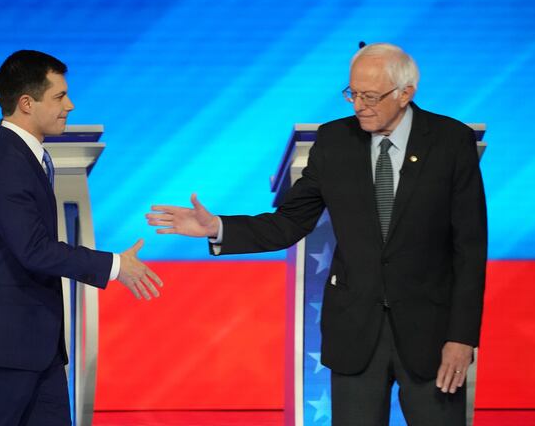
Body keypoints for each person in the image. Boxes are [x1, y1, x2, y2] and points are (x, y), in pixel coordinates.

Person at [147, 43, 486, 426]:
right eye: (353, 94)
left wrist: (462, 338)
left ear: (406, 93)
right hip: (355, 334)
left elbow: (470, 249)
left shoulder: (450, 141)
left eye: (371, 96)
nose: (358, 105)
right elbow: (290, 221)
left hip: (432, 337)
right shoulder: (335, 141)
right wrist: (219, 227)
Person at [0, 49, 163, 426]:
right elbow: (33, 250)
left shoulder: (24, 159)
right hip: (3, 350)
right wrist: (113, 265)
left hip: (38, 349)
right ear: (27, 103)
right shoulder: (6, 163)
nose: (71, 105)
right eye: (59, 96)